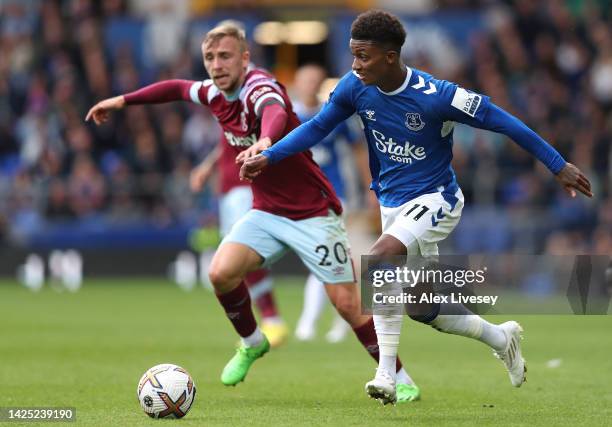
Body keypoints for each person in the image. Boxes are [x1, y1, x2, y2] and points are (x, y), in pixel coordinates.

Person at [239, 10, 593, 405]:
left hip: (436, 199)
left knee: (380, 258)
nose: (355, 65)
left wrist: (557, 164)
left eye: (364, 56)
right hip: (393, 205)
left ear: (391, 57)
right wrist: (271, 155)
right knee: (423, 308)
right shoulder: (354, 88)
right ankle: (500, 336)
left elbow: (504, 121)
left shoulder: (438, 95)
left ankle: (385, 374)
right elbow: (318, 127)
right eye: (353, 55)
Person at [86, 21, 421, 403]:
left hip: (312, 212)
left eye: (225, 55)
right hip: (266, 211)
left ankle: (400, 376)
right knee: (220, 272)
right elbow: (177, 88)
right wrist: (123, 101)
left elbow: (275, 111)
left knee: (346, 303)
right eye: (210, 57)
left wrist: (264, 140)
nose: (217, 64)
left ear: (245, 58)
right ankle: (252, 341)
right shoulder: (214, 92)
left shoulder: (259, 86)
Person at [290, 64, 369, 343]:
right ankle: (339, 322)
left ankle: (309, 323)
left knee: (326, 259)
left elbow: (358, 149)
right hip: (302, 198)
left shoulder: (334, 115)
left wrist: (370, 186)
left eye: (315, 80)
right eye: (306, 80)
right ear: (297, 85)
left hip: (334, 196)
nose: (311, 85)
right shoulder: (288, 116)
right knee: (335, 262)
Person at [190, 140, 289, 348]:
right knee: (237, 258)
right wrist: (208, 165)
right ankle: (270, 319)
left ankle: (272, 318)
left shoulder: (257, 107)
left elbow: (264, 137)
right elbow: (229, 140)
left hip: (245, 185)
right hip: (229, 187)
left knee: (242, 252)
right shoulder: (229, 110)